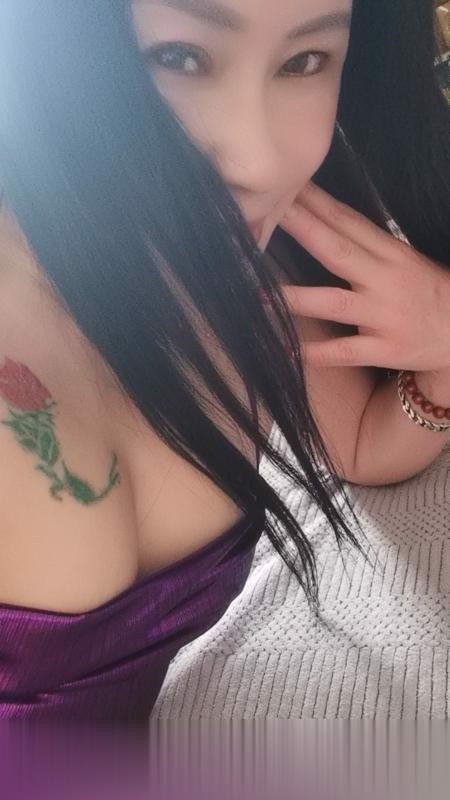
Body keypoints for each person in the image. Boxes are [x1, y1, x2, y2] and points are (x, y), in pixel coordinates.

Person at [0, 0, 448, 721]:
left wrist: (442, 351)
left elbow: (364, 444)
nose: (258, 161)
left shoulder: (243, 263)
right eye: (179, 57)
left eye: (304, 61)